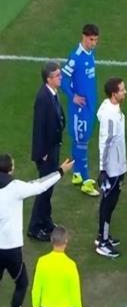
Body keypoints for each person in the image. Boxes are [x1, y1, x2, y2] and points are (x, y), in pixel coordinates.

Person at [0, 154, 73, 307]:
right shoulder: (15, 187)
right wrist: (60, 171)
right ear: (10, 168)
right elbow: (40, 185)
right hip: (11, 250)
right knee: (22, 283)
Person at [28, 61, 67, 242]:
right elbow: (39, 127)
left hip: (53, 148)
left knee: (49, 187)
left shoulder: (52, 93)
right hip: (46, 153)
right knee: (44, 189)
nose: (61, 77)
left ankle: (46, 220)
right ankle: (35, 227)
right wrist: (42, 153)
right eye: (57, 75)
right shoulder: (43, 98)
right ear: (49, 79)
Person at [61, 23, 100, 197]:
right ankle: (85, 181)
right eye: (91, 40)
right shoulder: (75, 57)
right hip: (80, 108)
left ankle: (76, 173)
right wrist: (73, 96)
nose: (94, 43)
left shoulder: (90, 54)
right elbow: (63, 78)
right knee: (82, 142)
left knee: (80, 139)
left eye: (96, 40)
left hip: (89, 105)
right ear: (83, 37)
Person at [94, 78, 127, 258]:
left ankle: (103, 235)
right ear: (114, 94)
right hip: (112, 168)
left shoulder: (111, 107)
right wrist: (103, 169)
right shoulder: (110, 115)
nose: (125, 92)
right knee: (108, 203)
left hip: (118, 164)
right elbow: (105, 143)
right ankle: (103, 242)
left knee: (111, 202)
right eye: (122, 90)